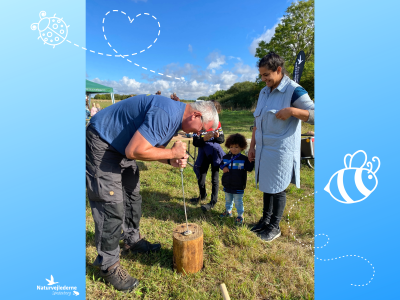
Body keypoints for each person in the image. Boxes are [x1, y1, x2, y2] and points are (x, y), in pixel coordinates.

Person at [86, 94, 218, 292]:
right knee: (110, 203)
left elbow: (151, 148)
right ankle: (108, 265)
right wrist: (172, 153)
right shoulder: (166, 114)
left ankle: (132, 240)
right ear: (196, 115)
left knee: (132, 195)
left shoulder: (175, 119)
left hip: (123, 147)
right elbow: (135, 151)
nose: (199, 134)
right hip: (103, 141)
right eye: (202, 129)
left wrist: (169, 159)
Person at [248, 52, 314, 242]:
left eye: (267, 75)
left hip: (280, 150)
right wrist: (252, 146)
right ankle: (265, 220)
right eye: (261, 75)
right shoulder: (264, 91)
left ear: (278, 70)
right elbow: (257, 122)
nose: (264, 79)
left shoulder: (294, 91)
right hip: (262, 149)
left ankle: (274, 226)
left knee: (277, 188)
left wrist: (293, 111)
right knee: (267, 186)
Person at [190, 101, 224, 212]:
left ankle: (213, 201)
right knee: (201, 177)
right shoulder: (200, 125)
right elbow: (195, 142)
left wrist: (216, 137)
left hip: (214, 155)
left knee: (215, 179)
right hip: (203, 154)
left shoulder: (217, 124)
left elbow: (221, 140)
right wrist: (204, 139)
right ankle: (202, 195)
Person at [219, 134, 254, 225]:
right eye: (231, 147)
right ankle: (228, 211)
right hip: (227, 183)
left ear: (242, 147)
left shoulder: (244, 159)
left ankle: (240, 215)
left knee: (238, 201)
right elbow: (220, 164)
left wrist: (251, 161)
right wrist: (223, 168)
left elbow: (249, 168)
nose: (233, 149)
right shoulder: (225, 158)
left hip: (238, 184)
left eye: (236, 147)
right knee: (228, 199)